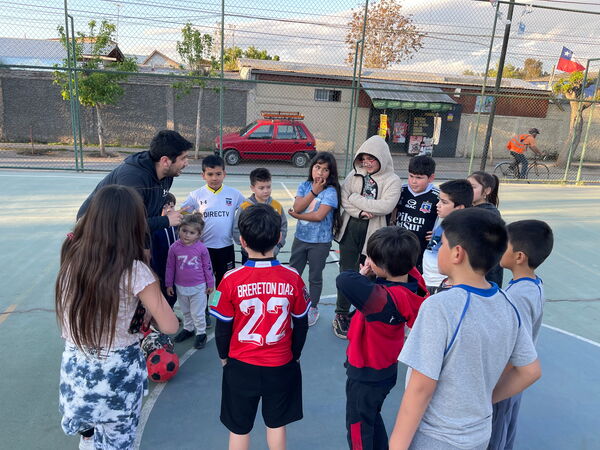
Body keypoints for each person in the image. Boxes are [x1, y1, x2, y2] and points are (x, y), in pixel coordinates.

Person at [388, 208, 542, 450]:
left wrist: (396, 445)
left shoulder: (440, 307)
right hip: (479, 434)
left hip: (437, 437)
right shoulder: (509, 303)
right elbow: (530, 371)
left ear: (457, 253)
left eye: (442, 244)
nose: (438, 249)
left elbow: (420, 389)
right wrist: (483, 399)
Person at [56, 185, 179, 450]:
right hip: (117, 376)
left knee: (88, 435)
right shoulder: (135, 271)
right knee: (117, 443)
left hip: (76, 369)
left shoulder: (71, 258)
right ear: (133, 225)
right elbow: (170, 325)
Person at [210, 204, 310, 450]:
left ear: (242, 241)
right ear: (279, 238)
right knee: (276, 424)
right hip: (281, 364)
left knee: (239, 427)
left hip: (241, 365)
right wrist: (295, 355)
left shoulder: (230, 280)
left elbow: (222, 328)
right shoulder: (293, 277)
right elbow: (301, 323)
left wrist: (224, 357)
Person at [336, 227, 429, 450]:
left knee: (358, 427)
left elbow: (344, 279)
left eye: (371, 258)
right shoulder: (414, 283)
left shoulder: (382, 299)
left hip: (366, 373)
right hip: (386, 369)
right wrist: (377, 269)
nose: (367, 261)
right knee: (371, 416)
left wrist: (363, 274)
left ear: (383, 267)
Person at [489, 220, 554, 450]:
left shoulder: (519, 296)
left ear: (519, 257)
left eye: (504, 244)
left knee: (495, 434)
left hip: (505, 380)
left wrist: (493, 387)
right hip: (512, 379)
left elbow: (516, 347)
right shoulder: (532, 285)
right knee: (504, 428)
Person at [334, 135, 401, 339]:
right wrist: (360, 212)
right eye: (363, 159)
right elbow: (344, 198)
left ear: (382, 158)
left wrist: (356, 198)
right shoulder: (354, 175)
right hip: (350, 229)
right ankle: (341, 313)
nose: (366, 163)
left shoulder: (393, 180)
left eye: (371, 159)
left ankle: (364, 314)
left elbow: (386, 206)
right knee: (347, 272)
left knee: (371, 273)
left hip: (375, 234)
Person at [77, 130, 191, 233]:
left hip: (124, 230)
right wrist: (166, 220)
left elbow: (145, 217)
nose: (187, 163)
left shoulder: (167, 174)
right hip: (96, 231)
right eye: (183, 158)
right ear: (165, 161)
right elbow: (126, 225)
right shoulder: (133, 180)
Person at [180, 155, 244, 326]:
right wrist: (189, 218)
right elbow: (182, 212)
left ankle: (218, 306)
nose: (214, 178)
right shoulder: (196, 195)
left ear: (224, 174)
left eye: (218, 174)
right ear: (203, 175)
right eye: (210, 174)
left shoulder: (234, 194)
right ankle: (204, 310)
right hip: (204, 249)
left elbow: (249, 208)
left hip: (226, 247)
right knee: (204, 283)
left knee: (223, 282)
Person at [288, 152, 342, 327]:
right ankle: (290, 302)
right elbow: (298, 206)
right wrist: (313, 192)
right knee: (293, 273)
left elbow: (319, 216)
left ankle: (313, 307)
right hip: (301, 238)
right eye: (317, 167)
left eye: (325, 169)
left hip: (320, 242)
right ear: (312, 168)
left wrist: (297, 216)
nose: (320, 172)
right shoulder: (304, 186)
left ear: (330, 173)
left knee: (315, 276)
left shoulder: (331, 191)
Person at [165, 213, 215, 349]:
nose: (187, 235)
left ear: (198, 234)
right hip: (181, 286)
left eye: (192, 233)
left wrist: (210, 283)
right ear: (179, 230)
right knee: (185, 310)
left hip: (198, 287)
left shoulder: (201, 248)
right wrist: (169, 284)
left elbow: (207, 266)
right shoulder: (174, 248)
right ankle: (188, 328)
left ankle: (201, 333)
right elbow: (170, 267)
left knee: (197, 312)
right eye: (184, 231)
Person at [422, 179, 473, 293]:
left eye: (444, 202)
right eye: (439, 200)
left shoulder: (460, 230)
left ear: (459, 208)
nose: (438, 205)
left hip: (441, 283)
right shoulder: (445, 222)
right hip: (429, 280)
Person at [391, 155, 439, 272]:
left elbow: (449, 218)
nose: (413, 181)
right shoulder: (401, 191)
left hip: (421, 248)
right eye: (411, 176)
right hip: (398, 246)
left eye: (419, 178)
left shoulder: (438, 196)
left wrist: (438, 232)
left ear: (431, 178)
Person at [233, 168, 288, 265]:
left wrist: (278, 245)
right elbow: (236, 229)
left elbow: (283, 227)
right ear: (252, 188)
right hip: (249, 254)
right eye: (261, 188)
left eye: (268, 187)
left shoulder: (276, 206)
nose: (266, 191)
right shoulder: (245, 207)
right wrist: (246, 247)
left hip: (270, 253)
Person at [468, 171, 504, 287]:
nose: (468, 190)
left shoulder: (489, 213)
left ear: (487, 191)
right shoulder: (470, 209)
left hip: (486, 274)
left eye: (473, 187)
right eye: (467, 186)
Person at [151, 193, 179, 308]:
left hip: (175, 268)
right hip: (160, 268)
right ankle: (162, 314)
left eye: (171, 206)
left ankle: (170, 310)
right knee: (162, 293)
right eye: (164, 207)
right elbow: (154, 254)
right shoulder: (155, 228)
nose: (168, 210)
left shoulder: (177, 226)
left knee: (174, 293)